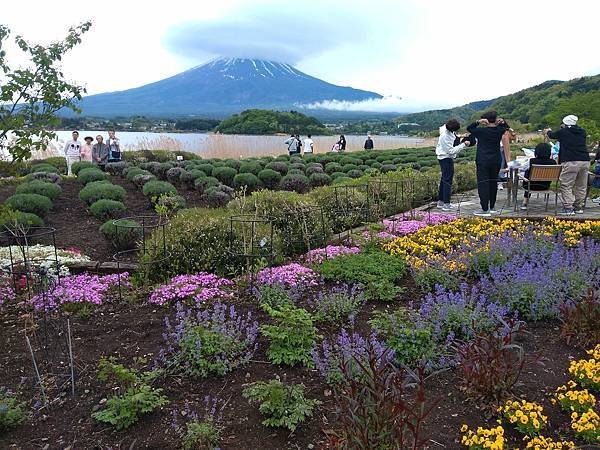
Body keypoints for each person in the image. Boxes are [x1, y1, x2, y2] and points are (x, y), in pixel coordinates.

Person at [467, 111, 509, 217]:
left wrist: (478, 122)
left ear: (485, 121)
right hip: (496, 160)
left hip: (483, 160)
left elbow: (469, 128)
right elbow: (507, 128)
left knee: (483, 183)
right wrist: (502, 122)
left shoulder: (481, 131)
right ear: (495, 119)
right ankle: (492, 207)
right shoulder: (499, 130)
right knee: (493, 182)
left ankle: (484, 209)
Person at [544, 115, 589, 215]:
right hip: (585, 160)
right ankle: (578, 207)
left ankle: (568, 208)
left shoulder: (564, 131)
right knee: (581, 185)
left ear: (565, 123)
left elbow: (551, 135)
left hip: (570, 161)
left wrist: (547, 131)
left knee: (566, 185)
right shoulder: (582, 131)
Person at [435, 119, 470, 211]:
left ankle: (441, 201)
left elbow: (453, 136)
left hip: (443, 157)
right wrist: (463, 145)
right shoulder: (445, 136)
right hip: (445, 158)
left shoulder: (445, 129)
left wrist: (461, 136)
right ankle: (446, 204)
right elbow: (450, 151)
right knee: (447, 180)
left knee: (444, 179)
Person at [520, 142, 557, 210]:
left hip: (530, 186)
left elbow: (522, 168)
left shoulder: (531, 161)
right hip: (545, 186)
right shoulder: (553, 162)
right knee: (530, 177)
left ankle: (525, 202)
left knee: (528, 176)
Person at [497, 124, 513, 191]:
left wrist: (510, 129)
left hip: (503, 149)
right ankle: (499, 182)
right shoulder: (498, 131)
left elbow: (513, 137)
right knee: (501, 164)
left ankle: (500, 181)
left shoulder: (506, 131)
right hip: (499, 148)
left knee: (503, 164)